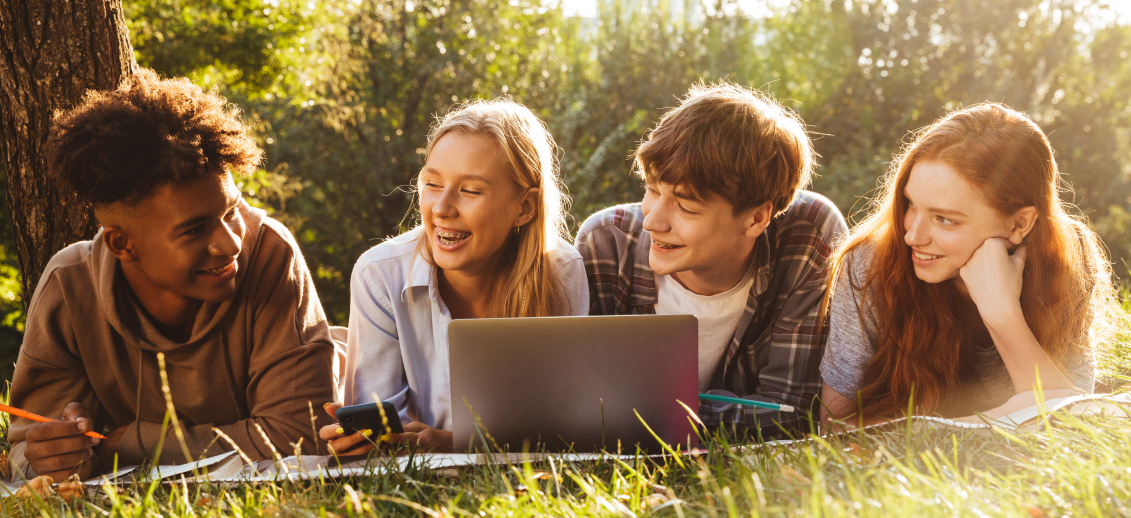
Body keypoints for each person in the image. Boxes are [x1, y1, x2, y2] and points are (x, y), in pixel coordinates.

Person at [6, 69, 339, 481]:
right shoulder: (70, 286)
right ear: (122, 245)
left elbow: (302, 436)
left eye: (231, 212)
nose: (231, 243)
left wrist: (132, 444)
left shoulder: (271, 254)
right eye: (195, 229)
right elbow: (24, 449)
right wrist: (50, 456)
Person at [819, 103, 1123, 427]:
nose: (912, 236)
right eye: (910, 204)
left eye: (945, 219)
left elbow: (1074, 429)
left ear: (1019, 224)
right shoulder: (869, 264)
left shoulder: (1068, 261)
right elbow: (833, 426)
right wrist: (994, 421)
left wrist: (1001, 312)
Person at [575, 82, 848, 440]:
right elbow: (586, 408)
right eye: (652, 189)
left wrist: (646, 412)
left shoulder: (811, 234)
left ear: (756, 219)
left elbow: (790, 416)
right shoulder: (604, 243)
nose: (653, 221)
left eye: (686, 206)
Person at [320, 99, 589, 455]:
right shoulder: (380, 273)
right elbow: (383, 438)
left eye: (470, 191)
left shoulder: (561, 269)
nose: (442, 209)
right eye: (432, 184)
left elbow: (567, 428)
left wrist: (451, 443)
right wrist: (361, 439)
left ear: (524, 207)